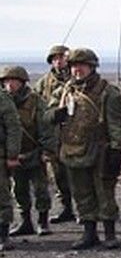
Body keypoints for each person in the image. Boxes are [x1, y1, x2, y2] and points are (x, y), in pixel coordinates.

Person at [52, 48, 121, 250]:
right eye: (74, 66)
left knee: (104, 193)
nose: (77, 70)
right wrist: (54, 115)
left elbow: (117, 124)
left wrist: (117, 150)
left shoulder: (107, 92)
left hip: (100, 151)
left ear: (92, 67)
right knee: (81, 193)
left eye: (82, 65)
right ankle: (89, 233)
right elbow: (46, 115)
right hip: (72, 149)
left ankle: (110, 234)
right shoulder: (65, 91)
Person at [3, 65, 56, 239]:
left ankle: (43, 221)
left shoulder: (35, 101)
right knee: (19, 190)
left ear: (22, 82)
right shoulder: (4, 102)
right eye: (6, 81)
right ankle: (25, 222)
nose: (10, 85)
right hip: (14, 153)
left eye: (13, 81)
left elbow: (46, 127)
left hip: (34, 151)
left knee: (40, 188)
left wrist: (46, 150)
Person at [35, 44, 75, 224]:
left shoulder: (77, 79)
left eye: (63, 57)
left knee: (77, 174)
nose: (59, 61)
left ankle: (84, 210)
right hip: (53, 136)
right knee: (59, 175)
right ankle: (66, 208)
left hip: (75, 135)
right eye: (55, 58)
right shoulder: (44, 83)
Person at [0, 76, 20, 252]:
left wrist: (12, 155)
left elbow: (13, 128)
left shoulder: (2, 99)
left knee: (2, 196)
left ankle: (3, 235)